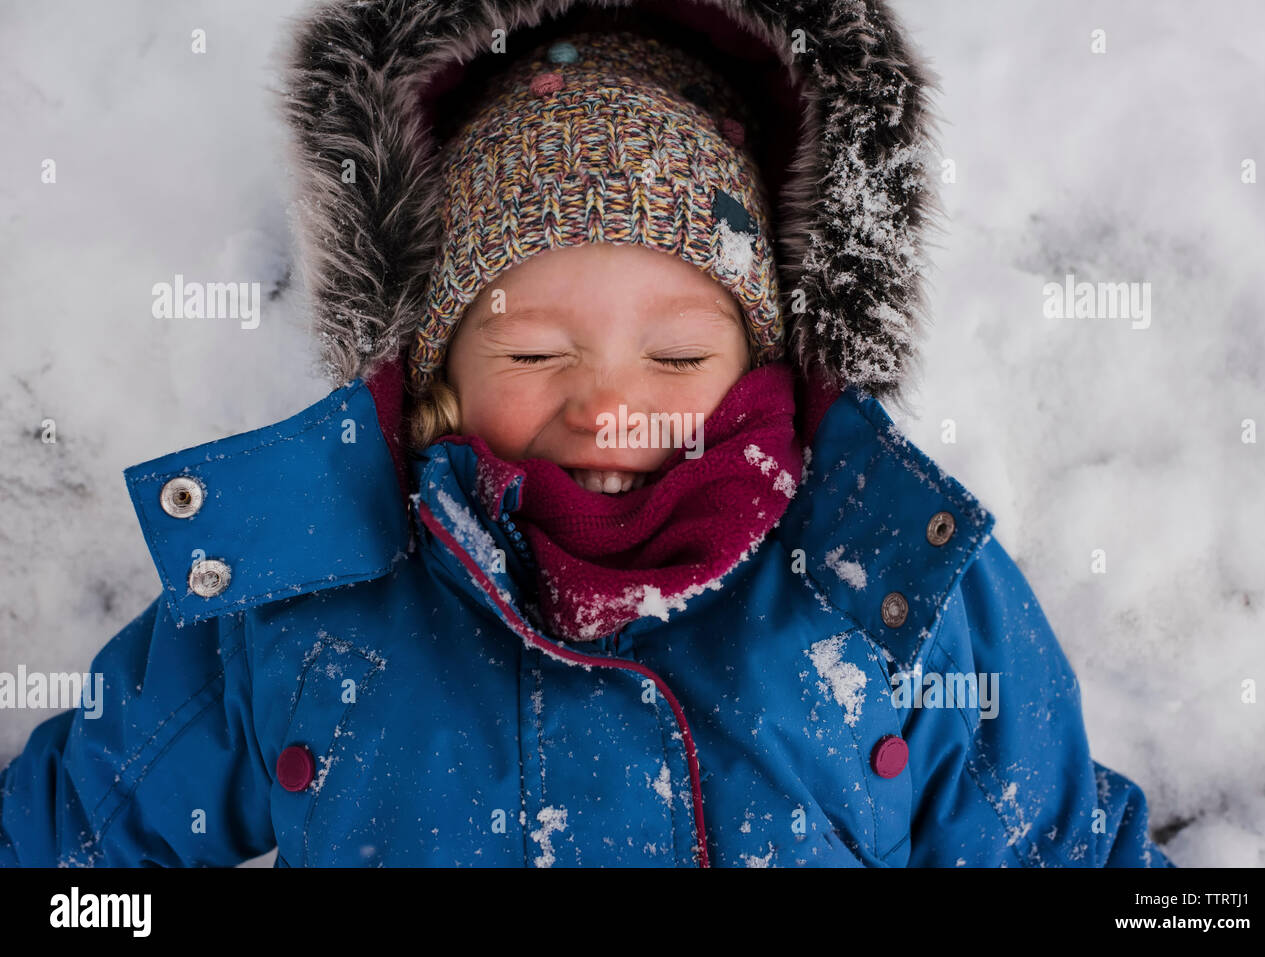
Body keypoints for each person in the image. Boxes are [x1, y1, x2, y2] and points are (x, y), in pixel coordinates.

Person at [0, 0, 1173, 867]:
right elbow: (81, 848)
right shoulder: (300, 600)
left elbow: (1055, 850)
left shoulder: (888, 580)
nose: (607, 408)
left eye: (674, 357)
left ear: (762, 359)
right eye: (532, 354)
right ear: (435, 372)